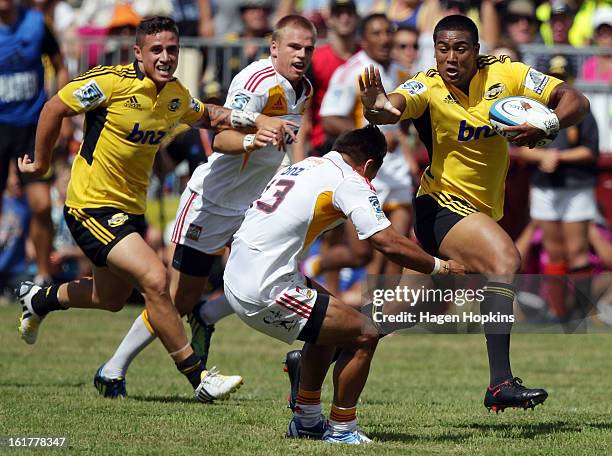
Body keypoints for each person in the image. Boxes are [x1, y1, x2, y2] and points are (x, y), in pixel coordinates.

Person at [15, 16, 293, 403]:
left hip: (129, 210)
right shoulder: (111, 82)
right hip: (90, 206)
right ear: (138, 53)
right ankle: (199, 377)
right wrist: (42, 163)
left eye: (172, 49)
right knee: (157, 280)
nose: (165, 57)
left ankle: (39, 299)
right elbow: (54, 108)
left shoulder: (174, 95)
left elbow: (212, 117)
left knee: (109, 298)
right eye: (157, 50)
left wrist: (260, 120)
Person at [359, 14, 590, 411]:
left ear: (476, 51)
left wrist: (548, 121)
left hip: (477, 213)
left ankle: (315, 352)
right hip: (440, 207)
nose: (451, 57)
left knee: (413, 307)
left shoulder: (508, 73)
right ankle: (500, 383)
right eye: (443, 48)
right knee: (505, 259)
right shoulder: (426, 85)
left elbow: (577, 101)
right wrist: (376, 106)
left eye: (460, 49)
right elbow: (390, 108)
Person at [93, 15, 316, 399]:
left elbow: (288, 138)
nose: (302, 55)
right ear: (274, 47)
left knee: (272, 275)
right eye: (294, 47)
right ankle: (112, 369)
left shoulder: (304, 87)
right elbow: (223, 136)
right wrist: (252, 141)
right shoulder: (256, 81)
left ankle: (208, 316)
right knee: (177, 299)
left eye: (308, 48)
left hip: (255, 203)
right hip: (213, 201)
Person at [223, 125, 464, 444]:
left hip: (243, 271)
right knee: (365, 333)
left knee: (332, 326)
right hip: (265, 285)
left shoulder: (309, 163)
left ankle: (307, 421)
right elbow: (387, 242)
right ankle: (341, 429)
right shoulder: (350, 180)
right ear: (369, 165)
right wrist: (441, 266)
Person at [518, 55, 599, 321]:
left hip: (575, 185)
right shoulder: (533, 110)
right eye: (555, 77)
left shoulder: (581, 111)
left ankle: (580, 310)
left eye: (564, 77)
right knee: (554, 251)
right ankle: (557, 310)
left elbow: (590, 150)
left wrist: (559, 157)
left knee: (577, 250)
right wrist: (543, 157)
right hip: (546, 186)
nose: (561, 82)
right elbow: (519, 149)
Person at [0, 0, 69, 287]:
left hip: (32, 127)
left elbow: (60, 65)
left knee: (41, 205)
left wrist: (62, 111)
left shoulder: (37, 23)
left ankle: (41, 278)